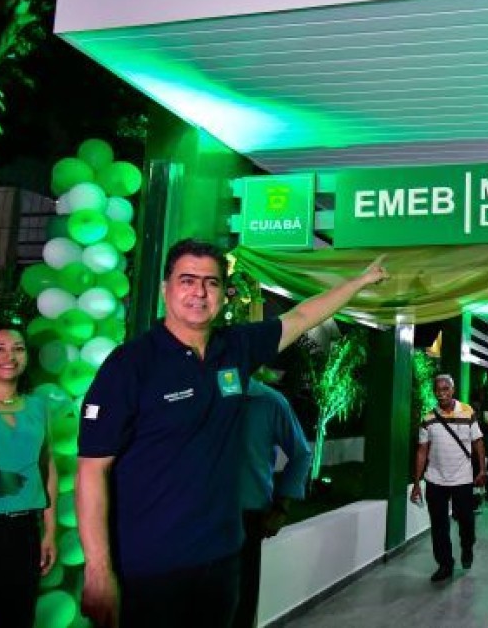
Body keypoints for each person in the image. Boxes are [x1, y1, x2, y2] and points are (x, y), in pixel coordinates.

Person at [76, 238, 387, 628]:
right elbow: (92, 470)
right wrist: (98, 570)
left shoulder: (235, 348)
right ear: (165, 289)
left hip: (222, 559)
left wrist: (359, 281)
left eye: (211, 283)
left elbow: (302, 316)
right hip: (150, 567)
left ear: (223, 294)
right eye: (187, 280)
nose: (199, 292)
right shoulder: (130, 364)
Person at [0, 322, 57, 628]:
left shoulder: (38, 407)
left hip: (24, 531)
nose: (9, 356)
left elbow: (47, 466)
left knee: (17, 619)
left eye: (18, 349)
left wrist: (49, 531)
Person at [233, 370, 313, 628]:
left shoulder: (268, 401)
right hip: (199, 516)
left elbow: (301, 454)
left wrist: (281, 507)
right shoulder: (202, 395)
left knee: (241, 603)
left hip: (246, 517)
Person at [410, 374, 487, 582]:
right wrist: (416, 483)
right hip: (435, 479)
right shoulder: (428, 418)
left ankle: (467, 546)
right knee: (439, 525)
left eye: (445, 389)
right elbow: (422, 451)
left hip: (462, 478)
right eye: (438, 389)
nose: (441, 393)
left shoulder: (467, 411)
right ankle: (445, 564)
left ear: (453, 390)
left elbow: (478, 441)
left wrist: (482, 469)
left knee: (466, 520)